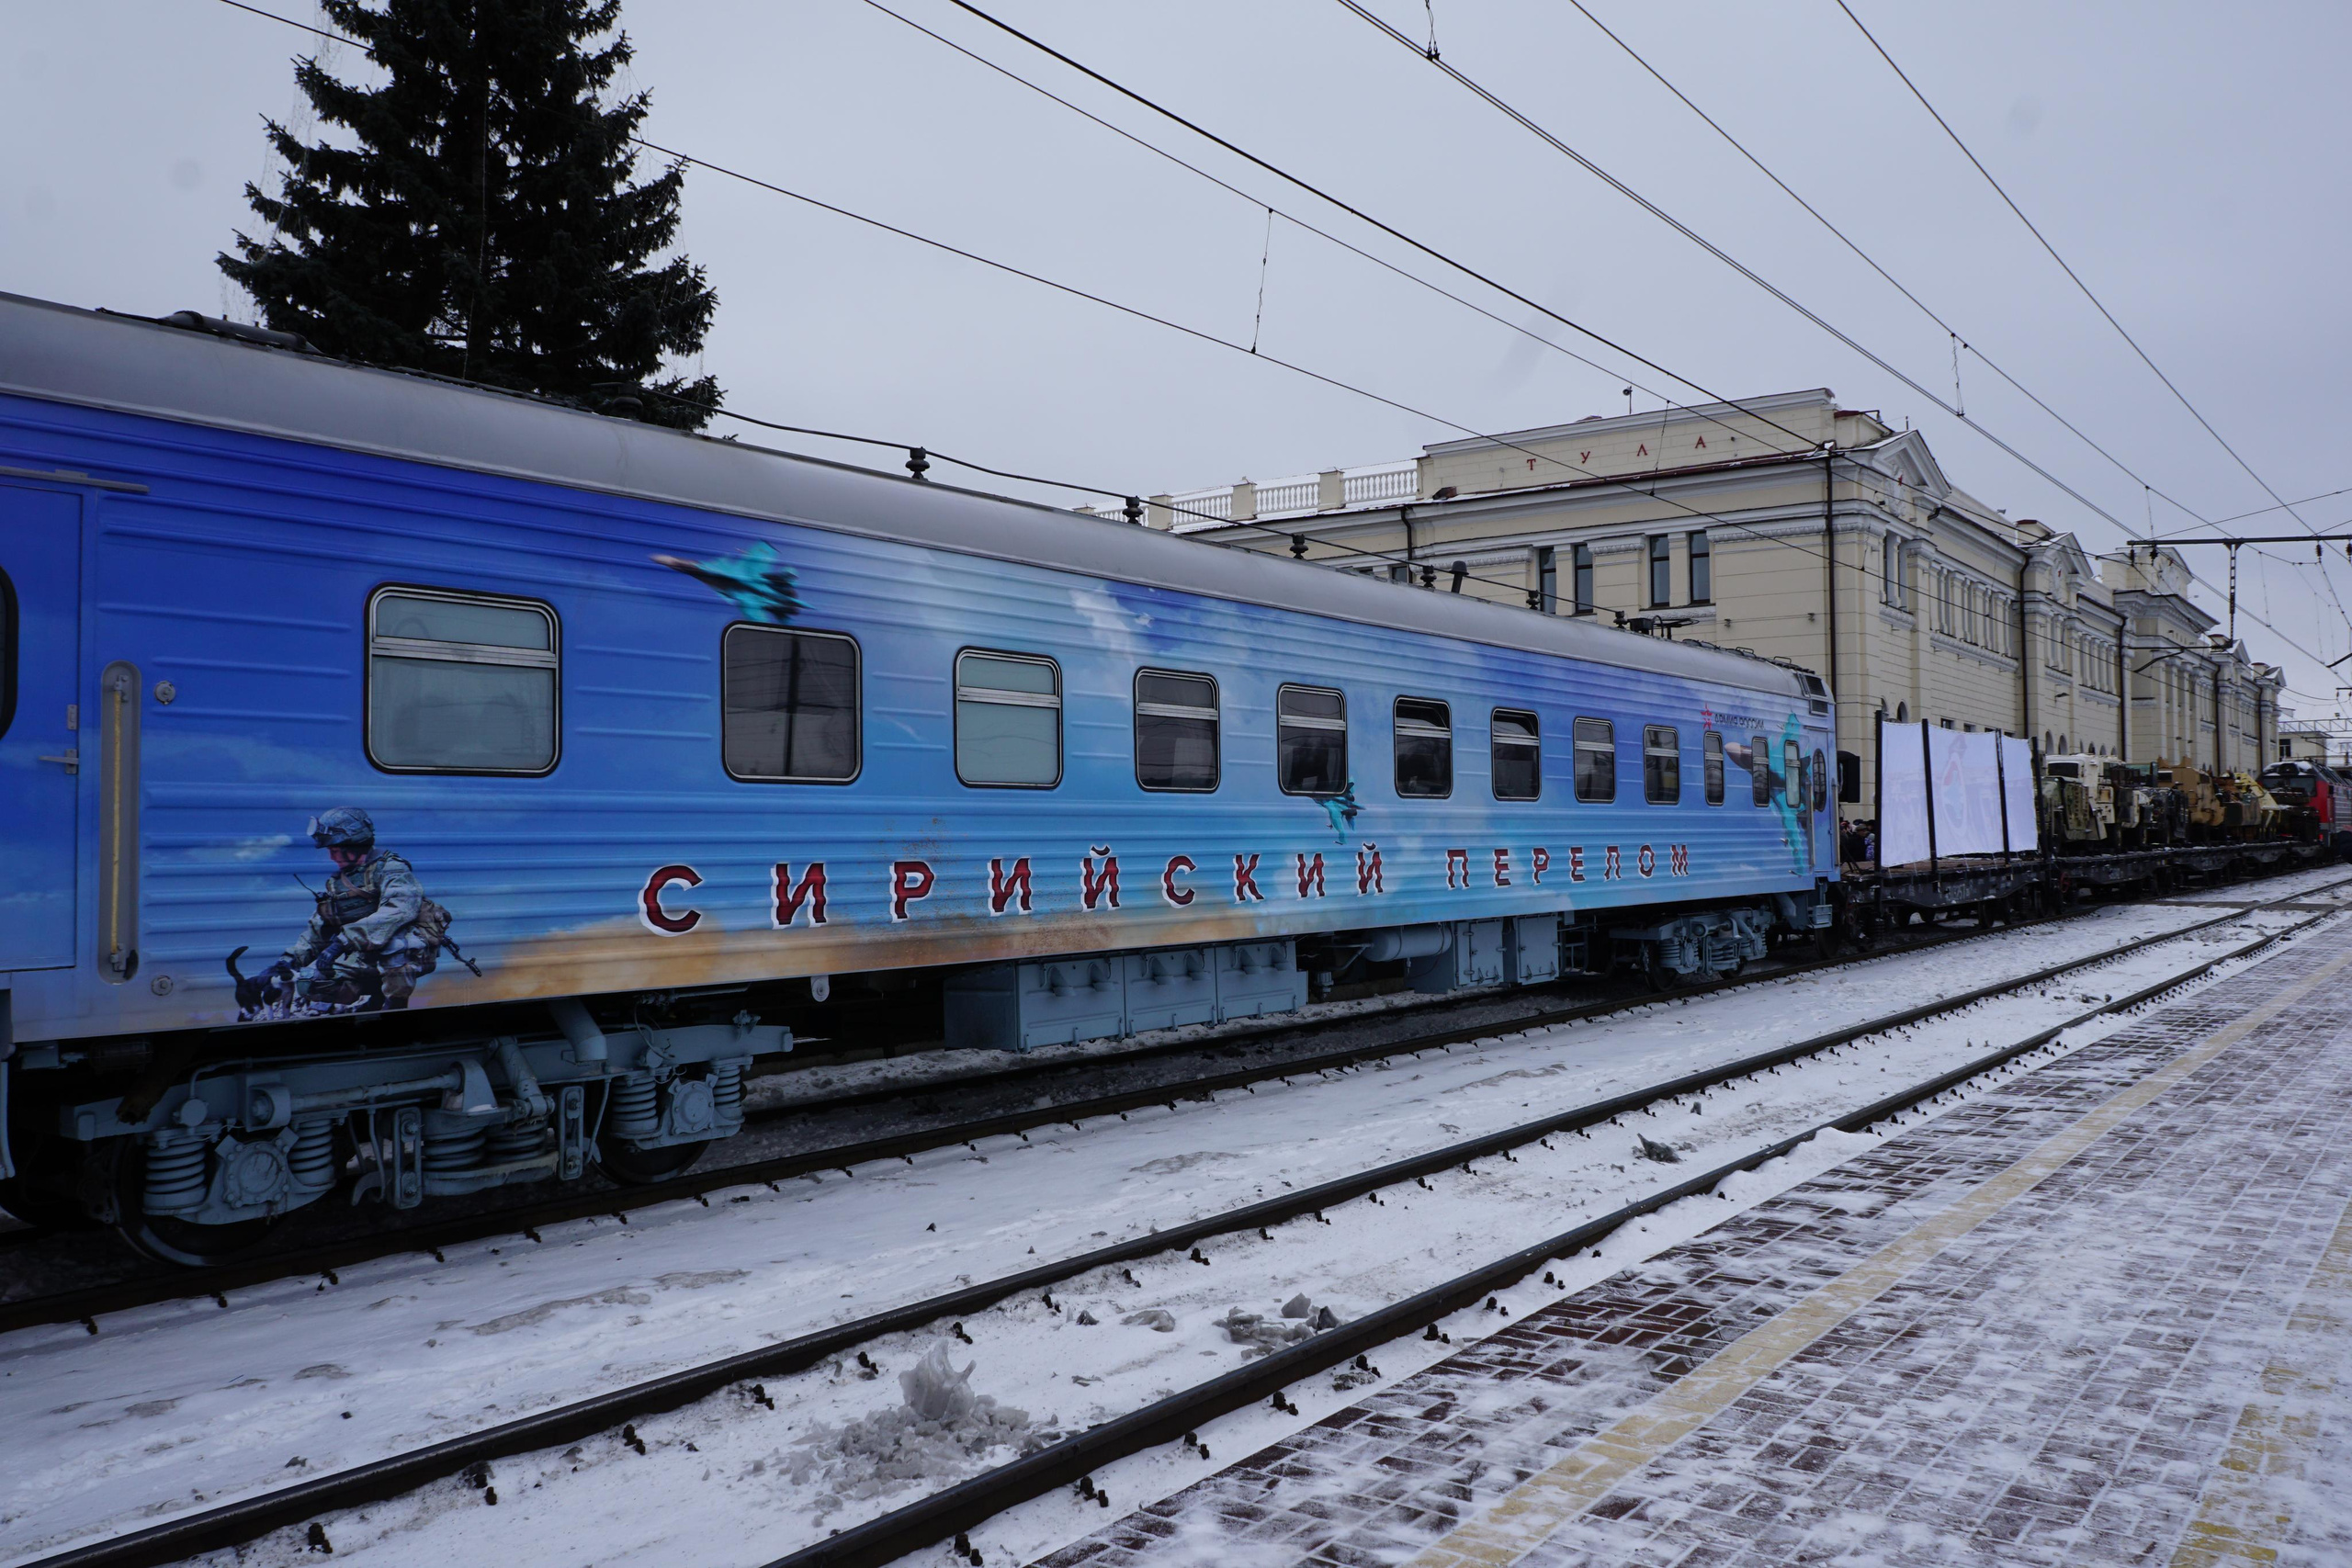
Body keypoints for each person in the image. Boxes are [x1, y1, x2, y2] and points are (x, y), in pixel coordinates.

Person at [273, 807, 428, 1010]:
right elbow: (319, 927)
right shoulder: (338, 882)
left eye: (334, 850)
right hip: (363, 954)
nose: (332, 857)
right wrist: (291, 958)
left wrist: (342, 942)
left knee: (395, 948)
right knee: (309, 983)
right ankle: (374, 995)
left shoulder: (392, 869)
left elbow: (398, 911)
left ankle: (395, 1006)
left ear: (354, 844)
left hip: (405, 953)